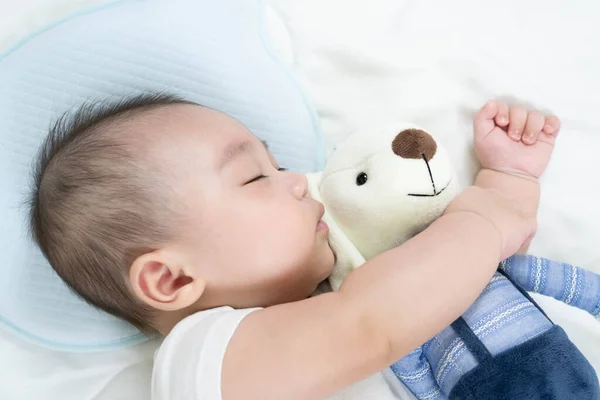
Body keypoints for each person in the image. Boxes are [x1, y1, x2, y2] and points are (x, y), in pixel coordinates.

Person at [29, 94, 575, 399]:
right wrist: (488, 212)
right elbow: (376, 319)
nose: (298, 180)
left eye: (279, 164)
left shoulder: (317, 304)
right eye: (253, 177)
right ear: (171, 280)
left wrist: (510, 179)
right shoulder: (198, 361)